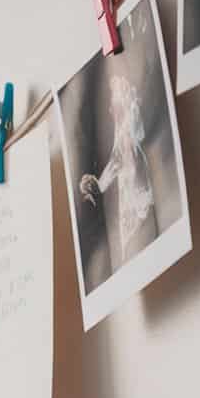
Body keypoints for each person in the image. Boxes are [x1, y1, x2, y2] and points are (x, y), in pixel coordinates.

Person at [79, 70, 157, 268]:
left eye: (114, 102)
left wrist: (98, 185)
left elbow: (115, 163)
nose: (110, 110)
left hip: (141, 214)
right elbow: (112, 168)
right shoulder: (123, 135)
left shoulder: (126, 135)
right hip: (137, 215)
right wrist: (98, 185)